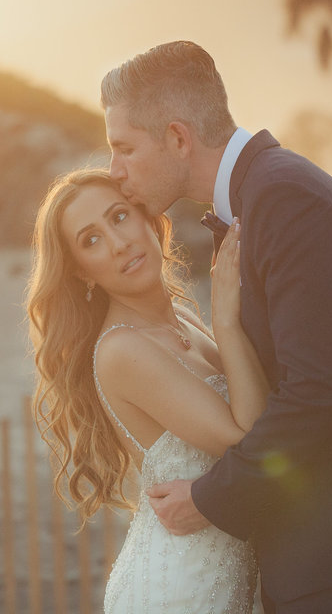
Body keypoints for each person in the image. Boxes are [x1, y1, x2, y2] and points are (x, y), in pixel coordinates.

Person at [100, 41, 332, 614]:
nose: (115, 171)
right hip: (331, 527)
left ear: (178, 137)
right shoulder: (261, 194)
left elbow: (317, 389)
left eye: (124, 148)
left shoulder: (285, 198)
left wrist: (211, 500)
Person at [26, 167, 271, 613]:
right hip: (178, 593)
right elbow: (250, 439)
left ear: (147, 219)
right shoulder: (122, 351)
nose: (118, 243)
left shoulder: (184, 318)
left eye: (118, 217)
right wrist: (229, 322)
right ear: (82, 273)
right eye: (91, 240)